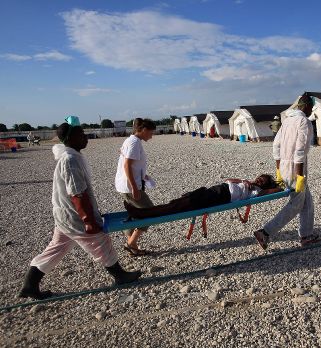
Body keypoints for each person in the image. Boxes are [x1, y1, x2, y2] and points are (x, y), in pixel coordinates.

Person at [19, 119, 141, 300]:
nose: (86, 138)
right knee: (100, 241)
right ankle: (120, 275)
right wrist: (89, 220)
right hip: (73, 216)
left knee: (56, 249)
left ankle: (30, 284)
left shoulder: (71, 156)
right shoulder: (70, 160)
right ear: (71, 139)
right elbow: (77, 194)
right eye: (81, 135)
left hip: (65, 216)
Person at [253, 93, 319, 250]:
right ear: (307, 106)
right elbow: (300, 150)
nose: (311, 110)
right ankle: (265, 232)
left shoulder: (287, 121)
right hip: (296, 170)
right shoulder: (304, 122)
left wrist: (278, 169)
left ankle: (306, 235)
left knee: (307, 202)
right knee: (296, 204)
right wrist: (300, 176)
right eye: (311, 107)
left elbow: (276, 146)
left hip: (284, 168)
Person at [124, 174, 281, 219]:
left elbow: (274, 190)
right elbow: (226, 179)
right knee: (176, 203)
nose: (259, 180)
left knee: (175, 207)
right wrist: (242, 180)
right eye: (260, 177)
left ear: (264, 185)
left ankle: (140, 213)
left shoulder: (256, 192)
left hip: (220, 196)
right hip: (213, 190)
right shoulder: (246, 182)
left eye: (262, 181)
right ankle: (142, 213)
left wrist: (279, 185)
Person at [115, 118, 156, 256]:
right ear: (143, 130)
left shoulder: (130, 140)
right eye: (151, 132)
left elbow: (130, 163)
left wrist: (143, 176)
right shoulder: (134, 143)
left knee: (134, 213)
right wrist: (134, 187)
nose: (151, 136)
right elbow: (127, 165)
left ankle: (133, 247)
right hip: (130, 187)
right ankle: (131, 243)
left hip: (126, 185)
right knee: (150, 211)